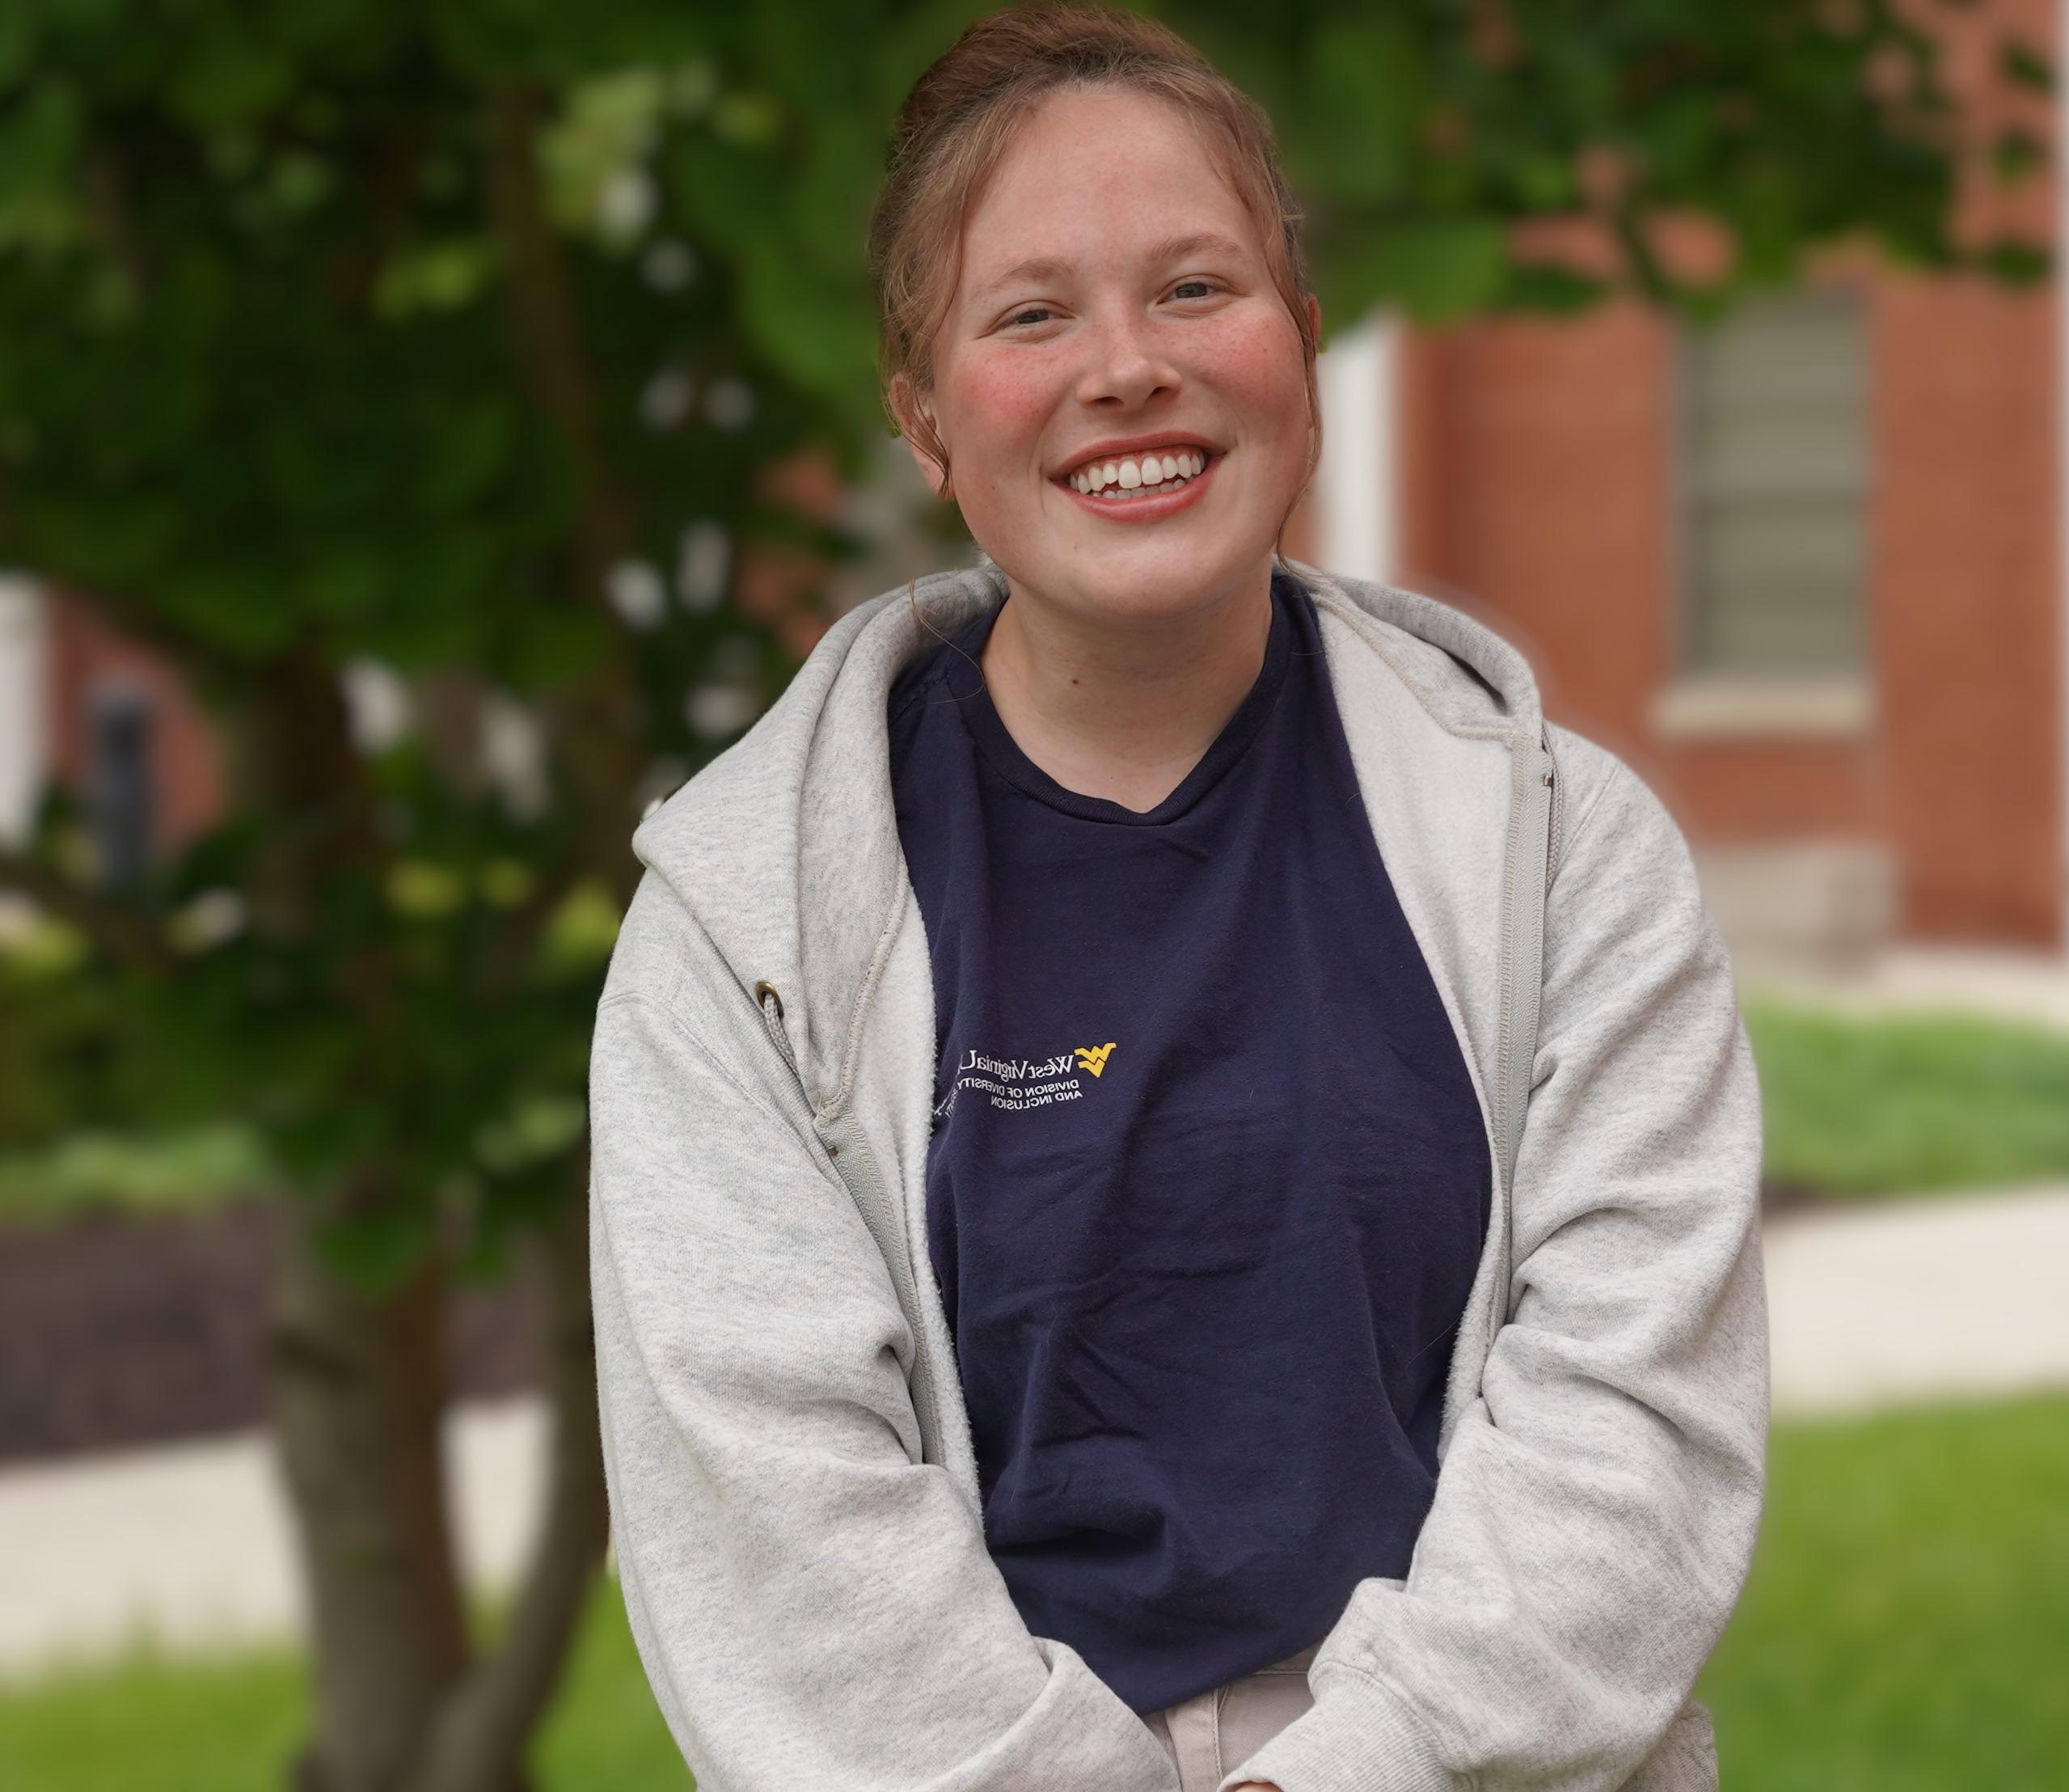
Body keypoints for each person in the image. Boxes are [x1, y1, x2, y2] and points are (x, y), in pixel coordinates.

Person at [586, 6, 1769, 1790]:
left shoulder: (1558, 850)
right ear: (922, 417)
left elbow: (1631, 1427)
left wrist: (1346, 1770)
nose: (1124, 368)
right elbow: (775, 1523)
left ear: (1298, 343)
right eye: (1031, 313)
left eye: (1194, 289)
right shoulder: (742, 933)